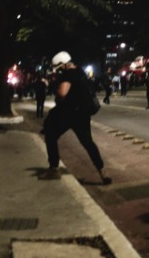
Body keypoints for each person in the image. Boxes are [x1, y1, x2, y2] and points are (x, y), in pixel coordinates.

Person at [40, 51, 111, 185]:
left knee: (50, 135)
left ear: (63, 64)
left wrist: (53, 86)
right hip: (83, 114)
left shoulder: (68, 74)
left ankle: (54, 168)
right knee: (88, 143)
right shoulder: (80, 72)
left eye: (58, 67)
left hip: (69, 113)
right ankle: (102, 170)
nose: (57, 70)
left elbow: (62, 93)